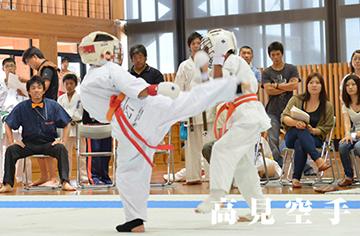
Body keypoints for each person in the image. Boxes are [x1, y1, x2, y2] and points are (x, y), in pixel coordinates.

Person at [78, 31, 247, 232]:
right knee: (190, 101)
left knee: (128, 172)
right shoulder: (111, 69)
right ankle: (233, 88)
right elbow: (140, 90)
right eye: (111, 51)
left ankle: (135, 220)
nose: (115, 55)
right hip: (146, 109)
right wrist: (158, 89)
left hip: (126, 129)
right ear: (100, 52)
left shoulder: (86, 85)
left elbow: (100, 115)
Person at [194, 29, 271, 220]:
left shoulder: (234, 61)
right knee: (243, 166)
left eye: (211, 48)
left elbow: (233, 87)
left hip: (247, 116)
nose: (209, 53)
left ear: (222, 46)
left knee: (220, 149)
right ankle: (260, 211)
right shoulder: (226, 64)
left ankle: (217, 193)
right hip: (243, 116)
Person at [0, 75, 75, 193]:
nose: (36, 90)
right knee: (11, 150)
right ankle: (8, 184)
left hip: (48, 143)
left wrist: (63, 141)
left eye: (39, 87)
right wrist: (12, 141)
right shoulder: (22, 107)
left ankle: (65, 182)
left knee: (61, 148)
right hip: (28, 144)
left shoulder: (53, 105)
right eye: (33, 88)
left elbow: (67, 123)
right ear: (29, 91)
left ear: (44, 90)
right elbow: (8, 124)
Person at [172, 31, 214, 184]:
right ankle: (193, 176)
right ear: (190, 47)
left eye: (199, 43)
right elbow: (178, 88)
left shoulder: (209, 64)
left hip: (208, 110)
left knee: (209, 144)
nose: (196, 46)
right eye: (193, 43)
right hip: (190, 110)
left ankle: (211, 176)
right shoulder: (185, 65)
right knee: (191, 147)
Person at [281, 72, 333, 188]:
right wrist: (296, 123)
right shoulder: (296, 99)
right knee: (300, 130)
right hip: (291, 135)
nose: (314, 85)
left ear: (322, 86)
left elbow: (327, 127)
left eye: (317, 83)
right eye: (311, 82)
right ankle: (318, 159)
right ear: (307, 85)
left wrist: (313, 130)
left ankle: (296, 178)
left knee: (300, 142)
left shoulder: (327, 106)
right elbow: (284, 117)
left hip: (314, 138)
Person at [22, 47, 59, 186]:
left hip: (48, 110)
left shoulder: (47, 68)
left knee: (48, 143)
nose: (30, 65)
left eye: (29, 62)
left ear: (34, 57)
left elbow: (44, 87)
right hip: (40, 110)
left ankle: (53, 177)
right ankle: (44, 176)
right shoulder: (43, 69)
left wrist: (27, 84)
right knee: (37, 141)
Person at [262, 41, 300, 167]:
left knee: (296, 136)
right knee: (273, 139)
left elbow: (294, 85)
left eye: (278, 54)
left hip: (290, 111)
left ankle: (304, 166)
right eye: (273, 55)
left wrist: (277, 85)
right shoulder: (266, 72)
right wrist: (286, 87)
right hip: (272, 110)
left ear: (282, 54)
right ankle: (278, 164)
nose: (275, 57)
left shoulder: (291, 68)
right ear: (269, 56)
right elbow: (268, 90)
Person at [0, 57, 30, 185]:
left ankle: (20, 178)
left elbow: (27, 101)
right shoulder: (0, 84)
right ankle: (2, 177)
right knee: (2, 149)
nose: (10, 68)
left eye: (12, 66)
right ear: (3, 69)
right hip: (2, 118)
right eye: (7, 66)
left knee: (20, 147)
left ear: (15, 67)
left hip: (18, 119)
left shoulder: (20, 84)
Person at [57, 73, 87, 182]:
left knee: (82, 153)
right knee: (66, 154)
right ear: (64, 85)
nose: (69, 86)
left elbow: (83, 112)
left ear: (76, 84)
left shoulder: (81, 97)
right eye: (67, 83)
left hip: (78, 126)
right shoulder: (60, 98)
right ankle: (66, 176)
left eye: (71, 83)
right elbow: (58, 113)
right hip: (65, 128)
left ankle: (83, 177)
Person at [338, 74, 360, 186]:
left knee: (358, 147)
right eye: (347, 85)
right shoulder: (346, 105)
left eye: (353, 84)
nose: (350, 87)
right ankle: (349, 176)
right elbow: (347, 122)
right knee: (343, 145)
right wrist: (347, 134)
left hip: (358, 134)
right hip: (355, 133)